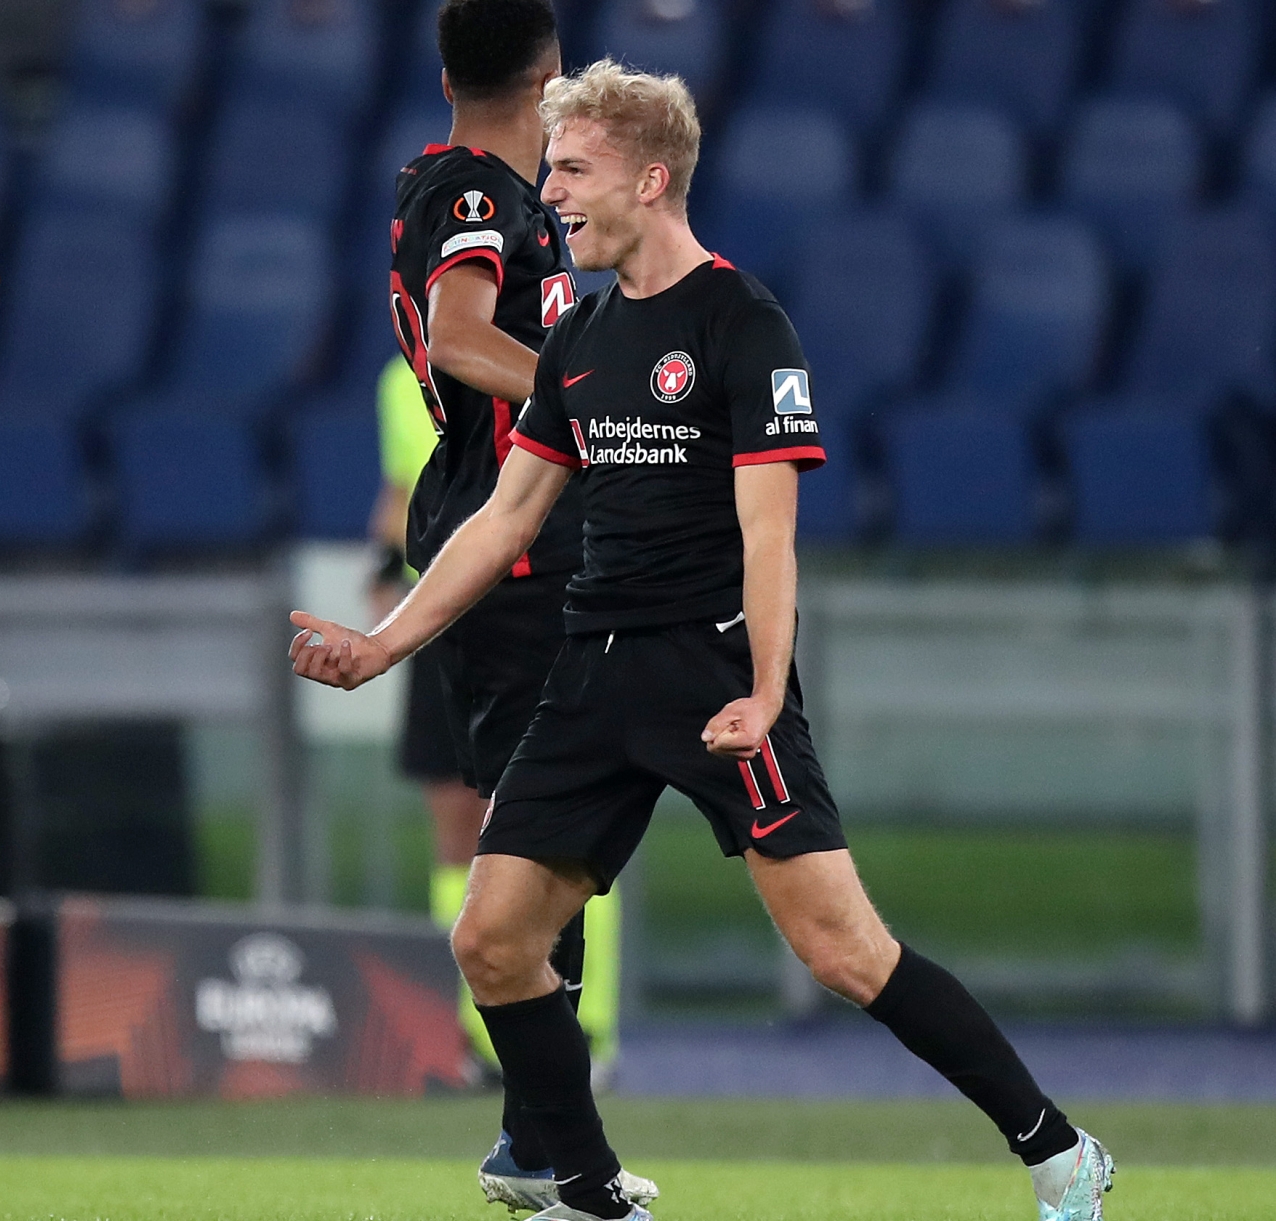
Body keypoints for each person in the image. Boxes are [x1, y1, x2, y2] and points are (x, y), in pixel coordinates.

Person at [291, 60, 1112, 1221]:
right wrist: (379, 647)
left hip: (715, 669)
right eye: (551, 169)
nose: (552, 196)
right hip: (593, 671)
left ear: (651, 177)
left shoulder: (742, 321)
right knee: (492, 941)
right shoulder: (575, 335)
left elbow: (769, 536)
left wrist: (767, 690)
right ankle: (582, 1187)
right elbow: (504, 518)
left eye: (573, 172)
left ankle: (1057, 1148)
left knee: (844, 954)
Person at [385, 3, 645, 1213]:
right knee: (541, 835)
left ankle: (537, 1140)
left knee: (557, 840)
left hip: (534, 535)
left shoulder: (487, 186)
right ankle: (546, 1147)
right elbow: (455, 336)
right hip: (511, 549)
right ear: (549, 79)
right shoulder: (476, 194)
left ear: (446, 71)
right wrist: (599, 405)